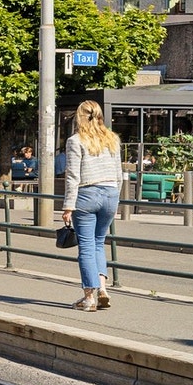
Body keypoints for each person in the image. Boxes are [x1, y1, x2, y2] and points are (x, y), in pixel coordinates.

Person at [62, 99, 123, 312]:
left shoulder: (75, 141)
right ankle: (103, 289)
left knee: (86, 247)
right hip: (110, 194)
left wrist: (68, 206)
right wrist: (116, 202)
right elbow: (118, 174)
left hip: (87, 194)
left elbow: (72, 177)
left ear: (80, 117)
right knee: (99, 243)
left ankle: (89, 297)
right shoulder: (113, 139)